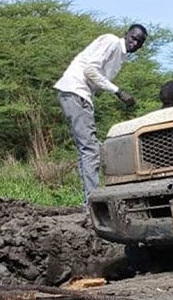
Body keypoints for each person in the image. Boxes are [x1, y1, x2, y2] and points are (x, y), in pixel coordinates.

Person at [54, 24, 147, 201]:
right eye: (133, 38)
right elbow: (90, 70)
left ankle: (90, 199)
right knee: (90, 149)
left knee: (88, 148)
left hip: (78, 93)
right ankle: (94, 201)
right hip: (76, 91)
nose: (134, 43)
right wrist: (118, 92)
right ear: (125, 34)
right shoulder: (112, 41)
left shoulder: (121, 56)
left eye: (139, 42)